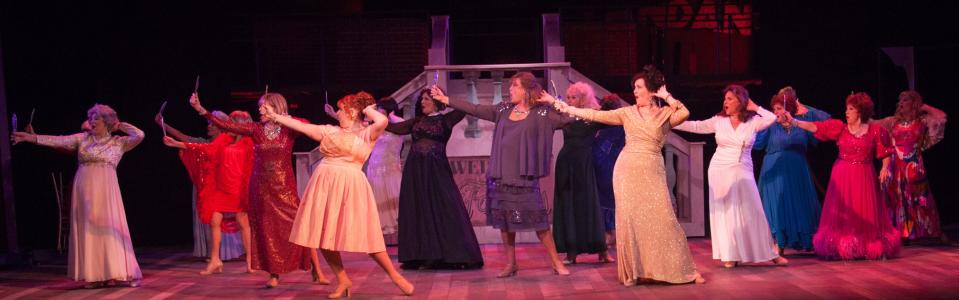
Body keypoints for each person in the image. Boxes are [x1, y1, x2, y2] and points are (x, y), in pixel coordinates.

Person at [542, 65, 704, 285]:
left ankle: (677, 269)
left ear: (651, 90)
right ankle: (636, 271)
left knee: (664, 220)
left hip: (652, 169)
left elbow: (684, 113)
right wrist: (558, 104)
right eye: (634, 88)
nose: (635, 91)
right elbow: (592, 113)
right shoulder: (626, 113)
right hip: (627, 170)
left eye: (639, 87)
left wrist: (665, 94)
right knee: (631, 221)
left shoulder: (664, 114)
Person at [266, 92, 414, 298]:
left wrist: (368, 109)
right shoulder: (329, 131)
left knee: (369, 237)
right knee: (322, 235)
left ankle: (395, 277)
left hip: (351, 184)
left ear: (352, 112)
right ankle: (343, 279)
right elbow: (301, 127)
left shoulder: (367, 133)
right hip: (325, 183)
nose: (337, 114)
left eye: (340, 110)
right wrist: (274, 116)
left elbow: (382, 119)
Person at [430, 72, 572, 277]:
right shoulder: (504, 109)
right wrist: (446, 100)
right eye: (510, 86)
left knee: (539, 222)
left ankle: (556, 262)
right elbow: (476, 109)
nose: (510, 90)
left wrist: (553, 101)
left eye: (515, 86)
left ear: (526, 90)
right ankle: (511, 264)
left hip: (523, 177)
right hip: (501, 175)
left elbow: (569, 118)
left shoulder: (542, 113)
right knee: (505, 222)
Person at [189, 92, 327, 287]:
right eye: (260, 106)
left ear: (275, 107)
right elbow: (227, 126)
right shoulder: (256, 129)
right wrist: (202, 110)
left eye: (264, 106)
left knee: (300, 226)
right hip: (261, 188)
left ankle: (317, 270)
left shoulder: (289, 128)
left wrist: (284, 117)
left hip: (285, 187)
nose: (260, 109)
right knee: (267, 230)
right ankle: (273, 275)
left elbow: (306, 124)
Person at [13, 104, 144, 288]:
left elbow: (139, 135)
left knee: (108, 226)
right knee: (89, 228)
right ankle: (94, 275)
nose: (92, 121)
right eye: (91, 118)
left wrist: (120, 124)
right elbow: (58, 141)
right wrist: (32, 138)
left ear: (107, 122)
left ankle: (114, 272)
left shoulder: (118, 142)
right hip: (84, 188)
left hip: (107, 191)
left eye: (96, 118)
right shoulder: (82, 139)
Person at [672, 85, 789, 268]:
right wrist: (672, 121)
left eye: (730, 99)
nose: (725, 102)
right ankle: (730, 253)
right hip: (719, 169)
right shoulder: (719, 120)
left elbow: (772, 118)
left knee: (753, 211)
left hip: (743, 169)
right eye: (725, 99)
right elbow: (695, 126)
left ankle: (770, 253)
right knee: (724, 212)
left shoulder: (752, 122)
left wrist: (755, 107)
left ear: (741, 101)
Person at [787, 92, 901, 260]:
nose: (846, 112)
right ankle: (844, 247)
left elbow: (885, 153)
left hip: (864, 176)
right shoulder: (840, 128)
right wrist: (795, 122)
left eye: (851, 109)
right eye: (846, 109)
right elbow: (816, 127)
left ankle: (866, 246)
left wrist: (885, 168)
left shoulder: (875, 131)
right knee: (844, 210)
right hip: (842, 176)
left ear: (860, 112)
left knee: (864, 211)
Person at [386, 89, 483, 270]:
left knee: (445, 208)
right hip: (415, 172)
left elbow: (464, 109)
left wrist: (445, 98)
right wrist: (375, 119)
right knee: (419, 209)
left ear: (436, 101)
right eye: (421, 99)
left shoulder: (446, 120)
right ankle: (422, 255)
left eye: (426, 99)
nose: (422, 102)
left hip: (437, 171)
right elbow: (394, 128)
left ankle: (454, 254)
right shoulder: (416, 121)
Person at [163, 111, 256, 274]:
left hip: (238, 188)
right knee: (214, 221)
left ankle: (250, 261)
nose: (228, 126)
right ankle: (215, 260)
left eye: (232, 123)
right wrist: (178, 144)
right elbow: (206, 148)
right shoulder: (224, 139)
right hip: (221, 188)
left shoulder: (249, 143)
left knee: (243, 223)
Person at [753, 87, 830, 254]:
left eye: (779, 109)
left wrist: (806, 108)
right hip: (775, 172)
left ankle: (801, 241)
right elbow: (756, 143)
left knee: (799, 205)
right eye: (774, 109)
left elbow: (826, 121)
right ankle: (777, 243)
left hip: (797, 173)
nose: (776, 112)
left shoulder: (801, 124)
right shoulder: (771, 126)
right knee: (776, 206)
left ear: (789, 109)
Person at [551, 82, 612, 264]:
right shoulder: (565, 115)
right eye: (568, 97)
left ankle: (601, 250)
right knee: (568, 205)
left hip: (584, 165)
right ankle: (571, 251)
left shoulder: (592, 116)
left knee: (589, 205)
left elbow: (613, 119)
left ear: (583, 99)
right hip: (566, 163)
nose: (569, 100)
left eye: (573, 97)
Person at [875, 91, 948, 244]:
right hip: (895, 166)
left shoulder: (922, 121)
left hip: (913, 165)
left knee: (920, 198)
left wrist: (925, 107)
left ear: (914, 103)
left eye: (906, 100)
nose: (901, 102)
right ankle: (898, 233)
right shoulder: (892, 122)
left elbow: (941, 118)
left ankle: (924, 233)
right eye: (900, 99)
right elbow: (872, 124)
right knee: (895, 197)